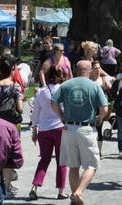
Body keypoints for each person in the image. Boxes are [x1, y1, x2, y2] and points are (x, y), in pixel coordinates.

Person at [50, 60, 109, 205]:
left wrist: (61, 116)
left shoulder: (66, 85)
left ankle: (75, 200)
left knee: (73, 166)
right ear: (89, 71)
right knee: (92, 164)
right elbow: (105, 108)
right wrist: (100, 118)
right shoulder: (94, 86)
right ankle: (78, 192)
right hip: (86, 128)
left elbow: (53, 101)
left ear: (76, 70)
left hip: (69, 128)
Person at [29, 67, 69, 201]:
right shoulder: (63, 90)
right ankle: (61, 190)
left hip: (44, 130)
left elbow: (35, 113)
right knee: (61, 160)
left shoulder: (41, 91)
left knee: (44, 159)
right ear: (60, 76)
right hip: (60, 128)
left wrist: (34, 130)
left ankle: (35, 186)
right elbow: (65, 110)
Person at [0, 56, 24, 197]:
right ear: (12, 70)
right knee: (10, 154)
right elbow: (20, 109)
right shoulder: (15, 86)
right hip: (12, 124)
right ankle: (7, 186)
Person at [90, 60, 112, 158]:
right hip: (91, 108)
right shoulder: (89, 80)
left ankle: (99, 152)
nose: (98, 70)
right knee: (90, 129)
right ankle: (90, 150)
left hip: (101, 109)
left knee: (99, 129)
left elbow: (111, 89)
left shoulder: (103, 80)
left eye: (99, 68)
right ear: (91, 70)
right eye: (95, 68)